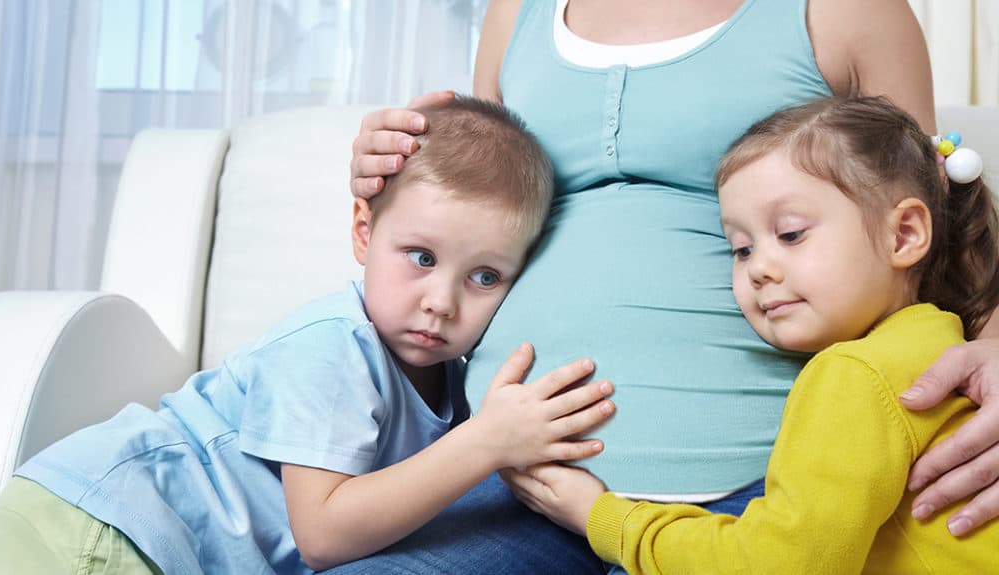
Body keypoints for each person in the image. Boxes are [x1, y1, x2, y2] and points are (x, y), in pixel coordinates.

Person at [340, 0, 999, 573]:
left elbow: (928, 222)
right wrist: (395, 167)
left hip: (747, 497)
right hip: (519, 482)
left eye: (787, 238)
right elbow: (475, 211)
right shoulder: (517, 14)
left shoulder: (843, 10)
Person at [0, 97, 618, 574]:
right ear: (364, 232)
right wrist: (486, 443)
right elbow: (325, 533)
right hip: (98, 530)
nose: (441, 303)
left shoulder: (453, 377)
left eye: (484, 276)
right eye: (420, 257)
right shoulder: (332, 347)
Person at [504, 95, 999, 574]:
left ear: (905, 234)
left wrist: (604, 518)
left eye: (790, 234)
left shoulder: (855, 375)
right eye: (740, 248)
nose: (759, 268)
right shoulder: (935, 340)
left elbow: (776, 565)